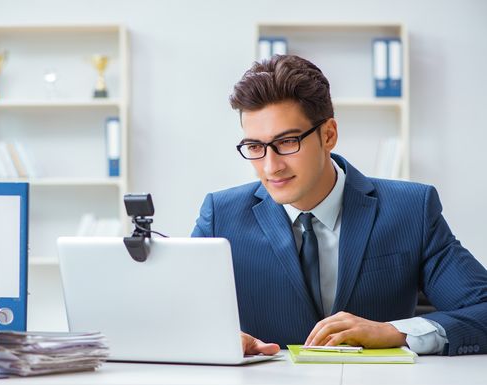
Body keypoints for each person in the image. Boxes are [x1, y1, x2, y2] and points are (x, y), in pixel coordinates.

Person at [192, 54, 487, 356]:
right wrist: (214, 338)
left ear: (329, 135)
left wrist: (396, 331)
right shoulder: (221, 217)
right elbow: (175, 316)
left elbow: (483, 310)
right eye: (255, 147)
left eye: (287, 142)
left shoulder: (412, 210)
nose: (271, 167)